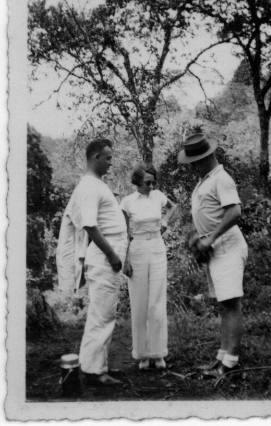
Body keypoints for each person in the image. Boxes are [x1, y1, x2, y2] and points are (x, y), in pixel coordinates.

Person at [56, 138, 127, 386]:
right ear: (95, 157)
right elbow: (89, 225)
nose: (110, 162)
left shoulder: (97, 184)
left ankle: (94, 365)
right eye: (107, 158)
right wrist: (112, 255)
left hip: (111, 253)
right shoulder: (89, 186)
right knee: (102, 313)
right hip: (104, 256)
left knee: (104, 311)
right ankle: (95, 372)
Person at [178, 130, 248, 379]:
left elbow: (235, 212)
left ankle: (231, 362)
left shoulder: (222, 179)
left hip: (228, 246)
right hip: (215, 249)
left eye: (193, 162)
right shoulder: (204, 181)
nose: (191, 167)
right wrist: (198, 237)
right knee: (223, 304)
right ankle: (222, 355)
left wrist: (211, 237)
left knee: (231, 303)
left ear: (205, 158)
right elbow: (208, 216)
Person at [120, 163, 176, 370]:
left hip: (157, 247)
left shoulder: (158, 195)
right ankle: (142, 354)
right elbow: (124, 233)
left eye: (153, 182)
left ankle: (158, 352)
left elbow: (173, 207)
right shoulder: (127, 202)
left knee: (157, 301)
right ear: (137, 181)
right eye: (147, 182)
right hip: (137, 249)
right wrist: (125, 259)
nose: (151, 186)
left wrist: (164, 224)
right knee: (140, 301)